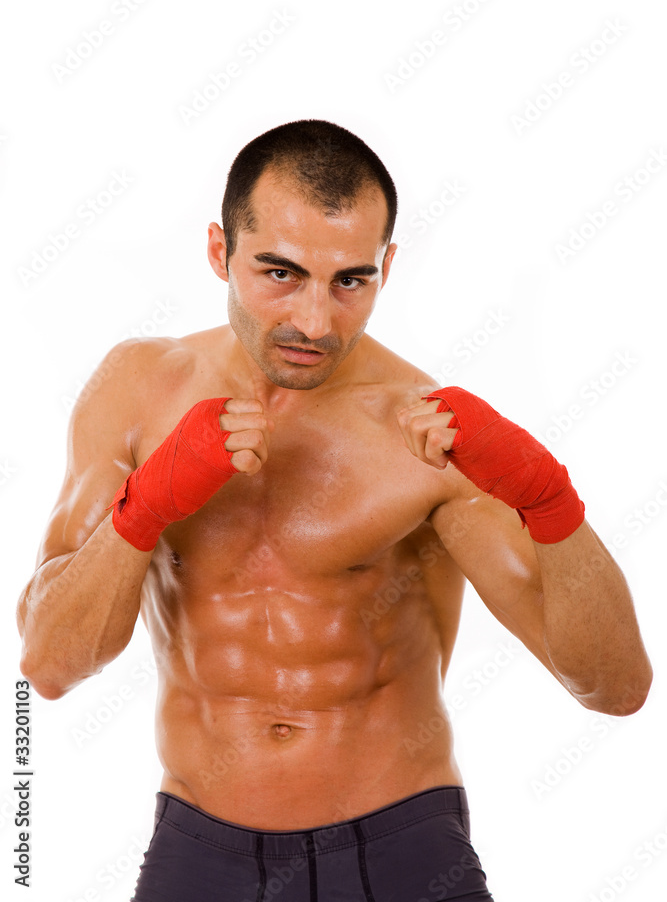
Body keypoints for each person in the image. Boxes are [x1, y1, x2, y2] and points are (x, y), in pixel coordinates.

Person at [16, 119, 652, 902]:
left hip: (402, 848)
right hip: (200, 850)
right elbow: (49, 665)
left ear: (386, 266)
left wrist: (549, 501)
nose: (315, 322)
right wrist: (139, 512)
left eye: (350, 281)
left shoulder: (425, 432)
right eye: (279, 273)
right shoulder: (137, 387)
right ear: (219, 251)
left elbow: (613, 688)